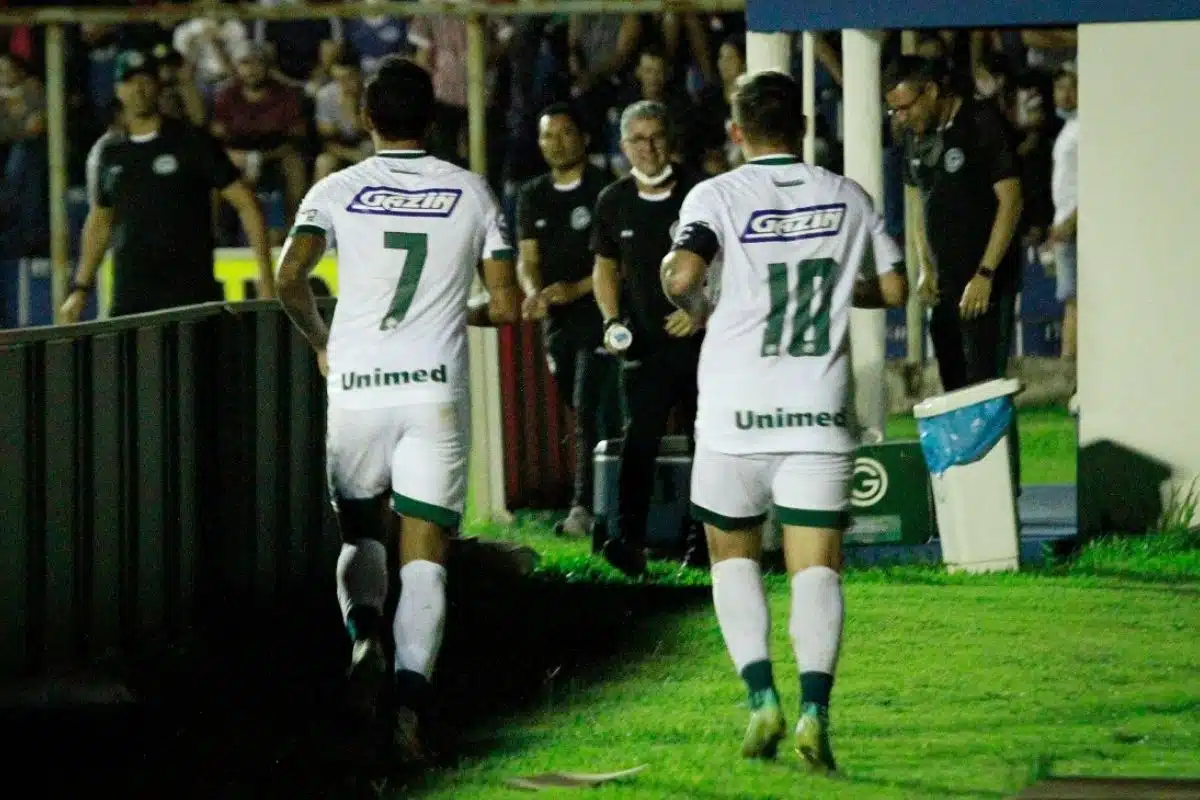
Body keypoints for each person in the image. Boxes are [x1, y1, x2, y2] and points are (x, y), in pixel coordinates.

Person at [660, 71, 907, 771]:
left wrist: (693, 299)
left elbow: (683, 276)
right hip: (816, 412)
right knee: (817, 569)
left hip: (735, 414)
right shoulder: (849, 195)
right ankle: (815, 712)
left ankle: (761, 697)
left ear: (738, 131)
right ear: (801, 126)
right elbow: (893, 288)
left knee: (731, 558)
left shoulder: (716, 195)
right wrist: (836, 286)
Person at [275, 55, 520, 762]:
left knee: (361, 534)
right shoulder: (471, 191)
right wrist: (458, 311)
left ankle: (363, 638)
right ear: (433, 120)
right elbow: (506, 305)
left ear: (366, 118)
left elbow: (289, 278)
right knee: (426, 555)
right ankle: (410, 708)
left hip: (358, 385)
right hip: (431, 390)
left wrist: (321, 341)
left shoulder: (335, 188)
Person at [61, 49, 274, 321]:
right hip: (131, 297)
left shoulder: (191, 141)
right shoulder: (107, 152)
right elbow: (100, 221)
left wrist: (266, 279)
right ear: (118, 90)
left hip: (191, 295)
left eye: (146, 81)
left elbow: (247, 204)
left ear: (158, 86)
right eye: (130, 82)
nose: (138, 90)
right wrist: (80, 289)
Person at [591, 100, 704, 577]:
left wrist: (702, 313)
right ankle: (628, 542)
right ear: (623, 146)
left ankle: (703, 543)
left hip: (700, 345)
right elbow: (604, 268)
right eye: (638, 139)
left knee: (706, 443)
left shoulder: (701, 192)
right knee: (638, 442)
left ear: (670, 139)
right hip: (644, 346)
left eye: (656, 136)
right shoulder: (613, 200)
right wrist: (611, 321)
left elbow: (728, 263)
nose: (649, 148)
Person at [883, 55, 1023, 392]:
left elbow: (1011, 200)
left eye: (906, 107)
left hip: (985, 283)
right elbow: (918, 202)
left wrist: (985, 273)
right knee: (954, 389)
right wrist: (925, 266)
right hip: (944, 286)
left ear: (931, 91)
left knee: (985, 388)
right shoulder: (915, 137)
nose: (901, 118)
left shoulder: (980, 122)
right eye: (894, 111)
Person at [517, 102, 621, 537]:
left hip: (599, 313)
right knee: (580, 405)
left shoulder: (605, 189)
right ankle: (609, 495)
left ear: (584, 138)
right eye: (548, 135)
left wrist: (575, 290)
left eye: (564, 133)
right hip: (557, 321)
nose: (556, 143)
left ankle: (585, 508)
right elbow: (527, 259)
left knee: (589, 406)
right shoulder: (532, 195)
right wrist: (534, 292)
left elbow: (617, 260)